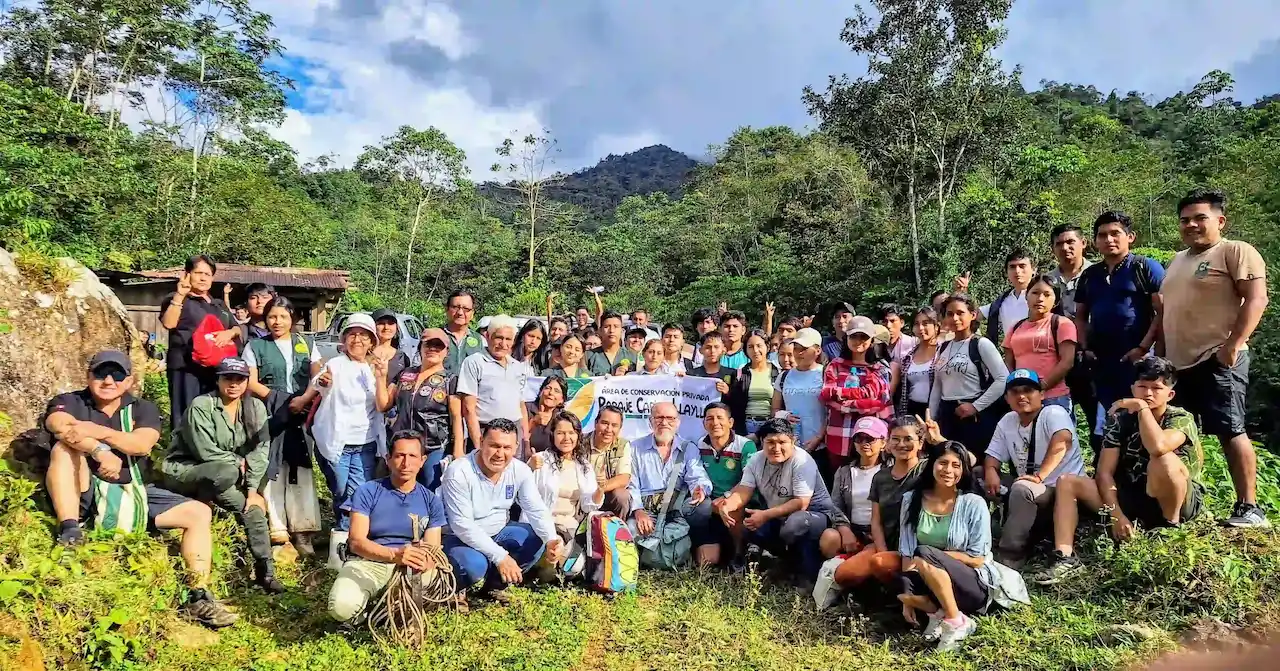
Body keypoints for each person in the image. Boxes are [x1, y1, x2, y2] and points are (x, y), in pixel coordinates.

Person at [42, 351, 237, 627]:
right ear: (88, 377)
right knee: (63, 450)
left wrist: (97, 431)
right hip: (85, 487)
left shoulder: (142, 408)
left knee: (198, 513)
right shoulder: (70, 401)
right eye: (101, 373)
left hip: (133, 490)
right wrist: (99, 451)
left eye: (117, 374)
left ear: (129, 380)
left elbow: (142, 444)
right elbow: (60, 427)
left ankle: (198, 594)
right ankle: (70, 530)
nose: (108, 380)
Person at [1036, 357, 1206, 584]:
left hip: (1177, 498)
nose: (1148, 393)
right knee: (1067, 481)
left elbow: (1158, 447)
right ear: (1133, 388)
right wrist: (1117, 515)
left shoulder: (1180, 418)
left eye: (1156, 388)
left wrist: (1143, 409)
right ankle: (1065, 557)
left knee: (1163, 460)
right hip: (1133, 495)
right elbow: (1104, 473)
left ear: (1170, 394)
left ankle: (1169, 529)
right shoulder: (1121, 420)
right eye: (1142, 387)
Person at [1161, 189, 1269, 528]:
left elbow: (1257, 299)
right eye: (1185, 220)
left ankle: (1249, 507)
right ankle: (1190, 506)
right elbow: (1168, 312)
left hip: (1218, 357)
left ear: (1220, 220)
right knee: (1183, 434)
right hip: (1179, 365)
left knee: (1229, 429)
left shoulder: (1235, 251)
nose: (1191, 225)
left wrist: (1235, 344)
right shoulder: (1177, 260)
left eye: (1199, 218)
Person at [159, 357, 282, 593]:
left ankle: (265, 571)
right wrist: (238, 463)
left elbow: (260, 450)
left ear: (247, 382)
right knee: (225, 471)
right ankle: (205, 498)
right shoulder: (201, 405)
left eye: (239, 379)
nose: (233, 384)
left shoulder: (255, 408)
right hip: (189, 469)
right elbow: (204, 451)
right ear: (218, 380)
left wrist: (253, 491)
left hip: (225, 478)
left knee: (252, 507)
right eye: (228, 378)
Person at [896, 441, 1018, 651]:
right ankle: (936, 614)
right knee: (897, 581)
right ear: (932, 464)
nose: (948, 470)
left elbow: (978, 559)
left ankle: (957, 622)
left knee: (924, 553)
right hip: (926, 573)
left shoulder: (973, 502)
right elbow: (907, 552)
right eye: (943, 463)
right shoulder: (911, 500)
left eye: (956, 465)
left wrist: (935, 558)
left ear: (963, 470)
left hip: (971, 584)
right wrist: (909, 596)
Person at [328, 430, 452, 623]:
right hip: (369, 562)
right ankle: (369, 610)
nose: (406, 463)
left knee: (431, 579)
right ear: (388, 459)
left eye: (412, 456)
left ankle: (391, 609)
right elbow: (356, 542)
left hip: (410, 566)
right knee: (341, 607)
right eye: (400, 456)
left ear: (422, 460)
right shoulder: (367, 491)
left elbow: (432, 549)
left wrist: (427, 561)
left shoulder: (431, 501)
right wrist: (395, 555)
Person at [441, 419, 563, 600]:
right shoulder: (458, 471)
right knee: (474, 565)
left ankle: (494, 586)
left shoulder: (520, 470)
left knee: (535, 537)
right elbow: (462, 525)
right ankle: (455, 590)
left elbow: (536, 509)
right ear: (481, 442)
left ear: (515, 448)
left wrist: (551, 540)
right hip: (458, 538)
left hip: (497, 531)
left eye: (507, 448)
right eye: (494, 446)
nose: (500, 454)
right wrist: (500, 557)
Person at [714, 418, 840, 585]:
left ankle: (802, 571)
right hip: (779, 516)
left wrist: (765, 515)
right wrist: (727, 506)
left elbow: (801, 503)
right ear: (761, 442)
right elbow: (744, 491)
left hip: (815, 515)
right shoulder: (756, 460)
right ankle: (784, 563)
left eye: (782, 442)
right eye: (770, 442)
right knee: (749, 526)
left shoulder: (802, 460)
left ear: (792, 441)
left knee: (795, 523)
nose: (776, 448)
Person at [1075, 211, 1165, 445]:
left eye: (1115, 233)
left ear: (1130, 236)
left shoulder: (1146, 268)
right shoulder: (1089, 275)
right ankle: (1107, 474)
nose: (1109, 239)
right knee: (1108, 420)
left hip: (1138, 360)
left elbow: (1163, 312)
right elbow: (1081, 315)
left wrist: (1143, 348)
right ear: (1095, 241)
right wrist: (1085, 348)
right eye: (1102, 235)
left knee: (1143, 415)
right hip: (1102, 361)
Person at [982, 369, 1085, 568]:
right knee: (977, 476)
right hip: (1031, 485)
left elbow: (1061, 442)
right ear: (1007, 398)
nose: (1022, 396)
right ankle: (983, 536)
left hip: (1059, 489)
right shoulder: (1007, 420)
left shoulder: (1053, 412)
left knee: (1022, 489)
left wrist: (1039, 476)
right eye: (1015, 392)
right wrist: (991, 471)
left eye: (1028, 390)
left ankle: (1011, 555)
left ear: (1042, 394)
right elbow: (992, 455)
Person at [244, 296, 322, 553]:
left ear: (293, 318)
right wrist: (280, 401)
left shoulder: (307, 344)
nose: (277, 322)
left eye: (283, 317)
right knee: (271, 463)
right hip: (269, 411)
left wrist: (302, 400)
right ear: (265, 319)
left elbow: (317, 376)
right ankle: (277, 527)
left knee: (300, 467)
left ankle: (303, 530)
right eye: (272, 317)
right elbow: (250, 382)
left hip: (302, 411)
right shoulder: (255, 346)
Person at [311, 313, 397, 533]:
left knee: (359, 492)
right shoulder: (336, 364)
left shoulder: (374, 368)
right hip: (338, 441)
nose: (357, 340)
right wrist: (323, 381)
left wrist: (381, 377)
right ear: (344, 339)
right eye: (352, 334)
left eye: (363, 335)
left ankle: (350, 535)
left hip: (365, 443)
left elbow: (381, 406)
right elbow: (319, 382)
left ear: (371, 341)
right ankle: (344, 531)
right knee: (340, 489)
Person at [833, 416, 928, 589]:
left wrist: (938, 440)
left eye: (908, 439)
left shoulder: (927, 470)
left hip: (919, 547)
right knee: (843, 575)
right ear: (889, 444)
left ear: (920, 443)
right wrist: (882, 550)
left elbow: (966, 462)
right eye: (896, 439)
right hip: (886, 543)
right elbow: (875, 521)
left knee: (880, 564)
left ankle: (900, 597)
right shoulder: (881, 477)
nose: (901, 444)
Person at [159, 254, 241, 430]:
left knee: (213, 415)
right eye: (198, 273)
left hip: (216, 369)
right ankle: (183, 455)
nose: (203, 278)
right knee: (186, 415)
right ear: (187, 274)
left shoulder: (219, 304)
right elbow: (168, 323)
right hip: (186, 367)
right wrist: (180, 295)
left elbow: (237, 328)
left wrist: (229, 333)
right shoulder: (177, 298)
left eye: (208, 274)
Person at [626, 402, 714, 565]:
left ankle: (694, 547)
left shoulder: (688, 448)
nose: (664, 423)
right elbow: (631, 483)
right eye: (659, 418)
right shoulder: (634, 448)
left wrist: (699, 489)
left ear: (678, 422)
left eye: (670, 418)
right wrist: (638, 511)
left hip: (676, 509)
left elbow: (697, 475)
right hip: (646, 509)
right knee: (631, 530)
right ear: (650, 421)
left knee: (704, 507)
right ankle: (638, 561)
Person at [928, 295, 1008, 462]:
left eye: (960, 313)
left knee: (973, 464)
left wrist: (975, 406)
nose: (955, 318)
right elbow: (938, 384)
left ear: (972, 315)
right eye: (949, 314)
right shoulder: (943, 347)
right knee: (947, 461)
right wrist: (932, 416)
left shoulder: (981, 344)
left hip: (974, 416)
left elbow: (1003, 379)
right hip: (947, 415)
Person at [390, 328, 464, 491]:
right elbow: (385, 405)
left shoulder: (450, 379)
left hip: (433, 446)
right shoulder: (405, 374)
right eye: (428, 344)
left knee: (432, 489)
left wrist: (458, 450)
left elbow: (457, 417)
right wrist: (381, 376)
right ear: (420, 347)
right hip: (404, 445)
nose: (433, 349)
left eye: (439, 346)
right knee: (401, 489)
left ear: (446, 351)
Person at [820, 316, 893, 472]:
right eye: (854, 336)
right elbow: (826, 396)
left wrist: (844, 402)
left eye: (863, 336)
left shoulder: (880, 369)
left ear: (872, 340)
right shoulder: (835, 366)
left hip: (869, 440)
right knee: (839, 484)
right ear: (846, 338)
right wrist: (863, 402)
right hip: (838, 436)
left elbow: (881, 404)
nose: (858, 340)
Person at [1001, 274, 1077, 412]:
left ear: (1056, 300)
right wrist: (1016, 388)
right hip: (1022, 398)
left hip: (1054, 397)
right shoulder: (1015, 327)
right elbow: (1008, 362)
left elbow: (1067, 362)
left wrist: (1041, 386)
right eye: (1035, 293)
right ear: (1026, 296)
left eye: (1047, 294)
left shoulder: (1062, 324)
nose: (1040, 299)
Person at [458, 315, 532, 455]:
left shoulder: (517, 367)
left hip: (513, 433)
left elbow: (521, 406)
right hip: (486, 431)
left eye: (508, 339)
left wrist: (526, 441)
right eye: (499, 337)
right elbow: (469, 409)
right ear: (487, 336)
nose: (503, 344)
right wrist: (478, 446)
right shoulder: (474, 362)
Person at [697, 403, 758, 567]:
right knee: (706, 561)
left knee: (733, 508)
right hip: (709, 503)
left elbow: (749, 479)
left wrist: (727, 496)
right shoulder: (697, 445)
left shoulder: (745, 445)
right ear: (704, 423)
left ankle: (740, 556)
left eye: (720, 418)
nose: (715, 422)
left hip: (737, 500)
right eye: (709, 418)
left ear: (730, 422)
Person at [821, 417, 888, 565]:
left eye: (869, 438)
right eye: (859, 438)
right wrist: (845, 530)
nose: (864, 443)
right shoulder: (844, 471)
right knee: (829, 537)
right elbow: (835, 506)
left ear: (883, 442)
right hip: (852, 528)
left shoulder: (890, 471)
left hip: (879, 532)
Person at [1047, 223, 1096, 424]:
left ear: (1083, 243)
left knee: (1097, 417)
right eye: (1059, 244)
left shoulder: (1098, 274)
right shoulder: (1048, 280)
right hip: (1059, 359)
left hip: (1093, 356)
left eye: (1070, 242)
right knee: (1060, 418)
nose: (1065, 247)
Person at [528, 411, 601, 542]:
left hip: (569, 526)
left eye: (571, 432)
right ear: (553, 435)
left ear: (578, 436)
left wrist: (600, 491)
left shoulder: (584, 466)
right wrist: (529, 469)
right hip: (540, 525)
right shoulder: (540, 459)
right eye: (560, 433)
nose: (566, 438)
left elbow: (588, 505)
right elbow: (519, 494)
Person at [954, 249, 1034, 343]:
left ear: (1033, 269)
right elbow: (972, 316)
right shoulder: (1002, 302)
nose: (1017, 271)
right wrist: (962, 293)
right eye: (1012, 267)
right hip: (1013, 355)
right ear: (1006, 272)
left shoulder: (1045, 297)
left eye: (1022, 266)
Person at [772, 328, 826, 455]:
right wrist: (784, 416)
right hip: (790, 445)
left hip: (820, 447)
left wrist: (819, 438)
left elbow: (831, 414)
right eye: (796, 348)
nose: (799, 353)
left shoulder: (826, 374)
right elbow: (774, 410)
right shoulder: (784, 376)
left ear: (818, 350)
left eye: (804, 349)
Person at [587, 406, 634, 519]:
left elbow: (623, 478)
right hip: (584, 493)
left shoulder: (622, 445)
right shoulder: (580, 443)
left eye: (614, 425)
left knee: (622, 496)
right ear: (595, 423)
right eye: (605, 423)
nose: (608, 429)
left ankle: (618, 532)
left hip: (607, 493)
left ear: (620, 429)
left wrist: (601, 488)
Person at [730, 330, 778, 436]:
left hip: (770, 426)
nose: (755, 350)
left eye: (759, 345)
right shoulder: (739, 373)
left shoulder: (778, 373)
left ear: (767, 347)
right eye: (750, 347)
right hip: (745, 426)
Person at [897, 307, 942, 419]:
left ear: (936, 326)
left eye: (926, 323)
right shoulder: (908, 356)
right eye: (917, 324)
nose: (921, 328)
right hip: (912, 409)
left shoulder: (944, 351)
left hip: (938, 410)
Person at [443, 290, 486, 375]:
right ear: (447, 310)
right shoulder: (434, 337)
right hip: (439, 387)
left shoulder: (481, 341)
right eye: (455, 307)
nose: (460, 313)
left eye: (466, 309)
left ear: (472, 313)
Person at [587, 311, 640, 376]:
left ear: (622, 331)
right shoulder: (588, 356)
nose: (611, 330)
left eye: (616, 326)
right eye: (607, 327)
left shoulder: (633, 357)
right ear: (600, 331)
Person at [526, 376, 568, 457]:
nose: (551, 393)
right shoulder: (526, 409)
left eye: (556, 391)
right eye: (548, 388)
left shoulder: (562, 418)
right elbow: (515, 437)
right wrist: (533, 422)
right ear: (541, 391)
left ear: (561, 400)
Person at [689, 331, 737, 399]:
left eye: (716, 347)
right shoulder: (691, 375)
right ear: (700, 350)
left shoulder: (733, 375)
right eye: (708, 347)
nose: (712, 351)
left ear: (724, 350)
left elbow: (739, 402)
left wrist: (728, 392)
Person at [370, 308, 411, 384]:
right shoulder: (364, 353)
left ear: (396, 327)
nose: (386, 327)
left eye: (391, 323)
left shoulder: (402, 358)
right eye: (381, 323)